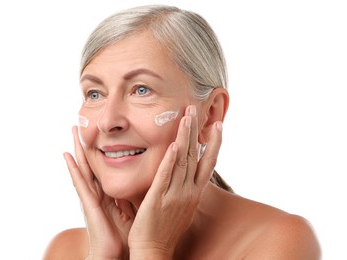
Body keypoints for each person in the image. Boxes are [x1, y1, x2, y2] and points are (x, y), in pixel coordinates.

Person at [44, 4, 321, 259]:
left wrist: (151, 250)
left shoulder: (278, 240)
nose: (107, 121)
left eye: (141, 90)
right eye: (94, 94)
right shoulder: (66, 250)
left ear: (209, 115)